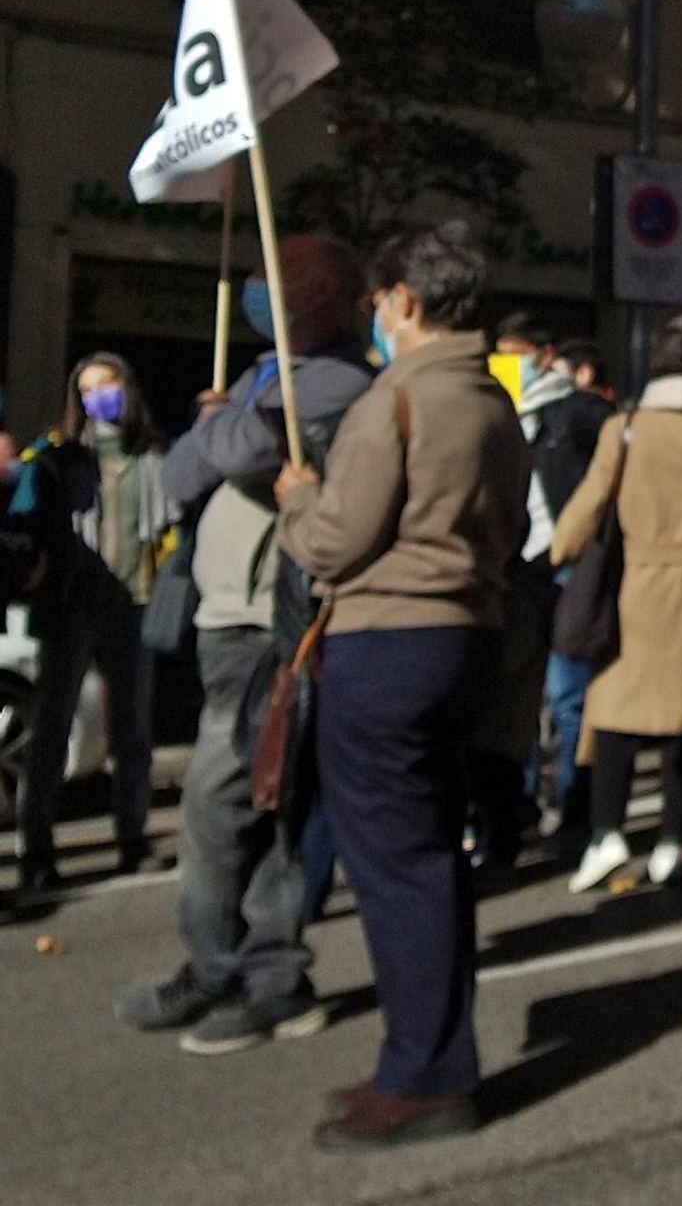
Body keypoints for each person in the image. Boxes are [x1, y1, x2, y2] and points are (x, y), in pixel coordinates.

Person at [274, 222, 527, 1152]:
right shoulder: (494, 402)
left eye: (381, 301)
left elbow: (338, 539)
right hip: (466, 637)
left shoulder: (400, 400)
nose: (376, 316)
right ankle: (425, 1060)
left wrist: (299, 496)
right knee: (429, 858)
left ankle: (426, 1076)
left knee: (396, 866)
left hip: (386, 642)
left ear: (407, 302)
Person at [117, 235, 372, 1051]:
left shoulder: (332, 381)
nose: (257, 299)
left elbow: (227, 453)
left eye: (272, 288)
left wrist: (219, 421)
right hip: (224, 617)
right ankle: (261, 973)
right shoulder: (273, 380)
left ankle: (233, 966)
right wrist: (221, 426)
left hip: (274, 623)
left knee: (225, 801)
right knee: (257, 804)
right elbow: (185, 471)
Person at [554, 311, 682, 896]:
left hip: (633, 588)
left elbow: (590, 501)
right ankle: (673, 841)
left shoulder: (625, 427)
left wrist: (556, 548)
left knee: (615, 718)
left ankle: (608, 833)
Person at [11, 354, 171, 894]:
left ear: (127, 389)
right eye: (87, 389)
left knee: (133, 733)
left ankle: (132, 839)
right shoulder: (57, 457)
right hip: (72, 605)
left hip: (133, 605)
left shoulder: (151, 454)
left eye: (107, 385)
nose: (98, 397)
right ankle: (35, 851)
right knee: (51, 731)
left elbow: (169, 524)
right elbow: (24, 515)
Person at [466, 316, 611, 867]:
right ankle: (515, 811)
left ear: (544, 356)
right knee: (515, 703)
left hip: (569, 568)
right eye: (499, 354)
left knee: (569, 696)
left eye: (517, 354)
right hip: (519, 570)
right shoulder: (494, 413)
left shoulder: (577, 412)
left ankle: (574, 808)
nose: (509, 363)